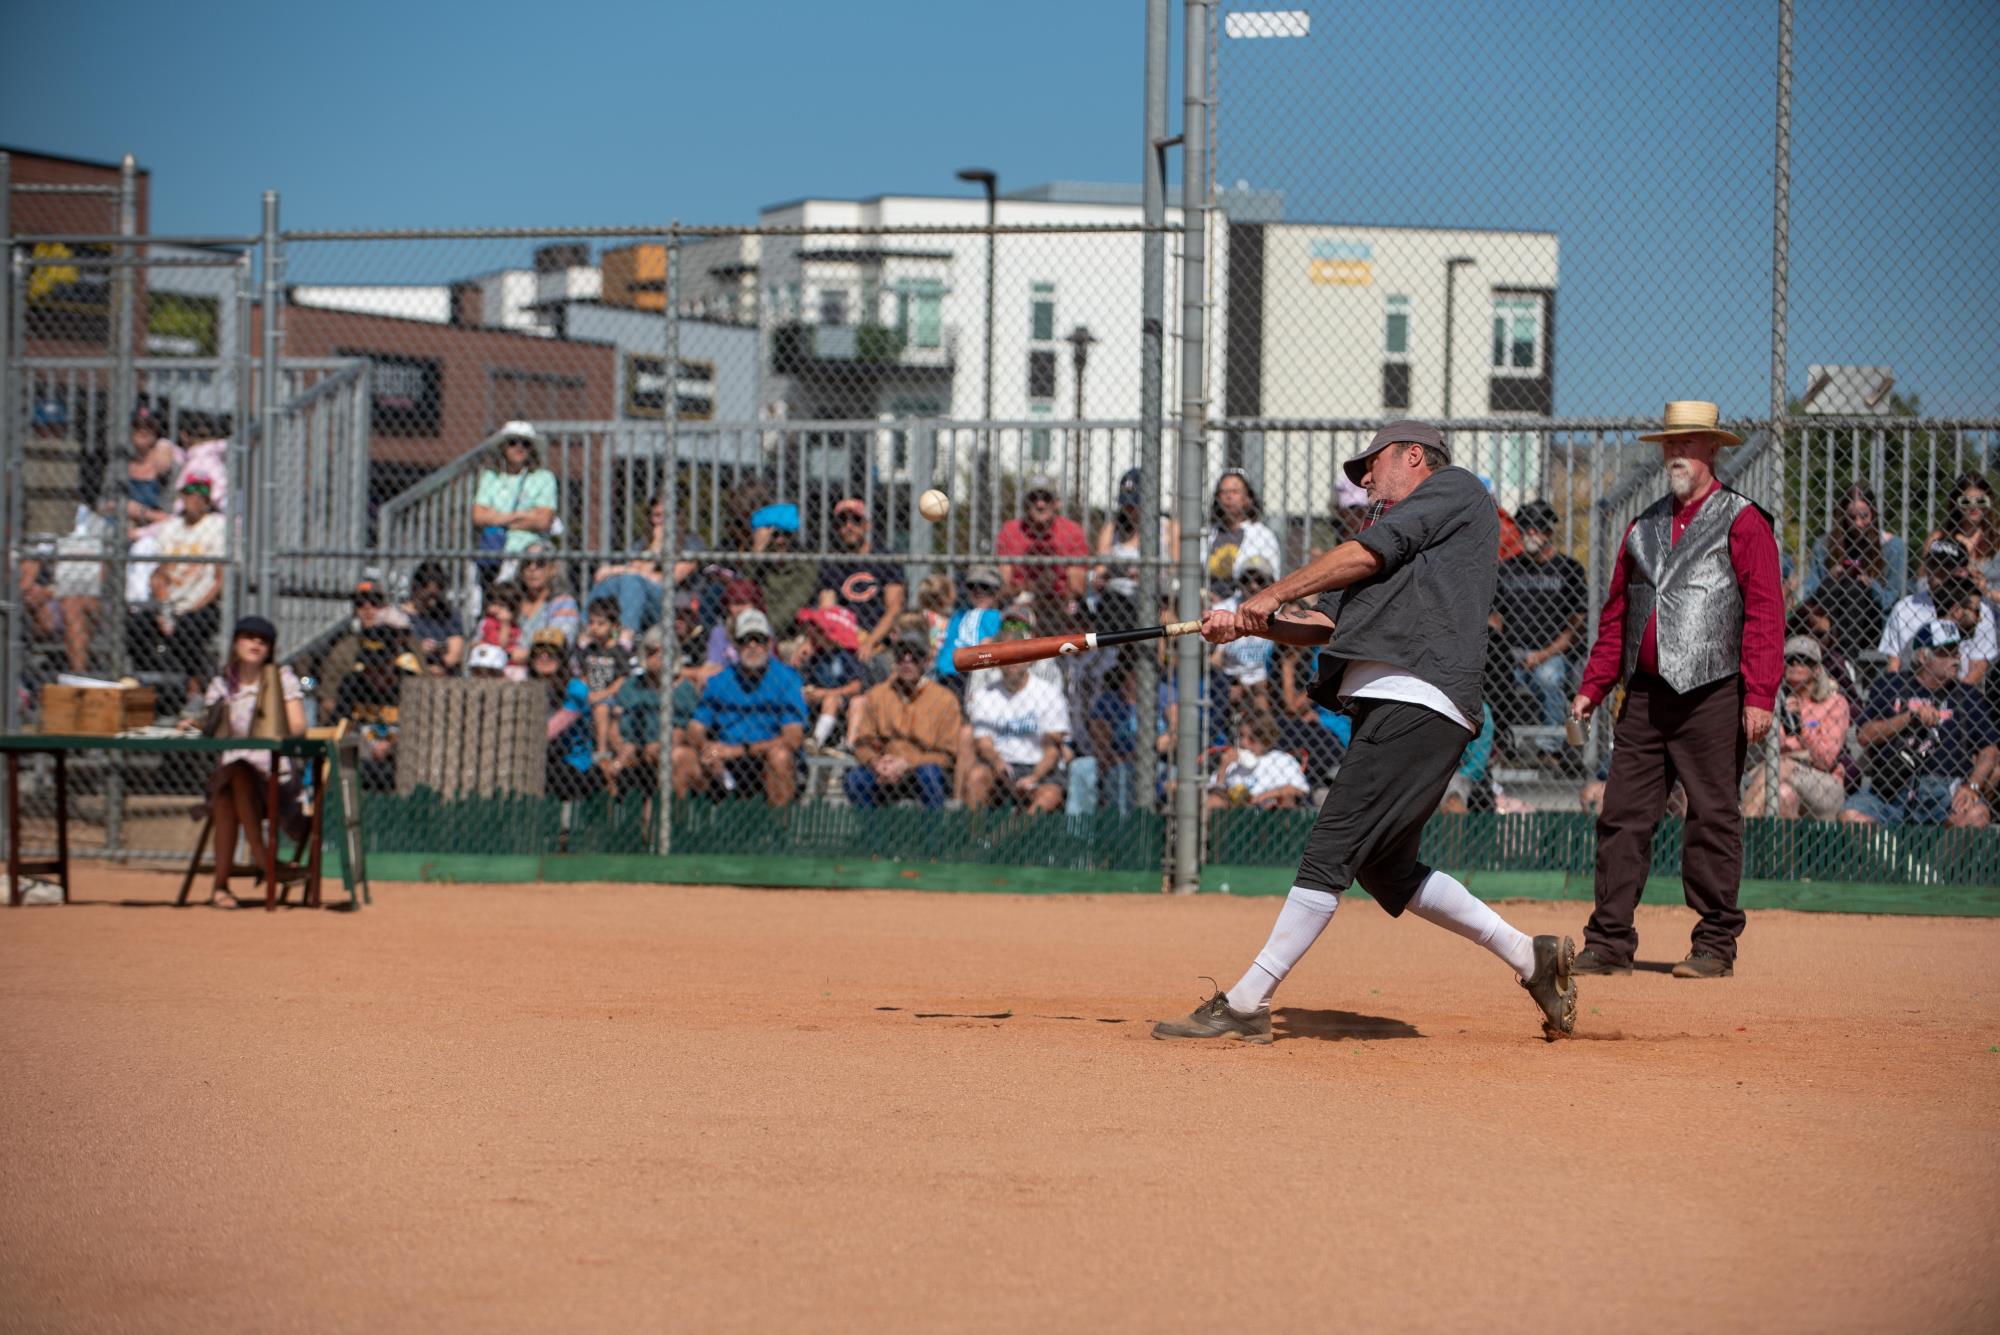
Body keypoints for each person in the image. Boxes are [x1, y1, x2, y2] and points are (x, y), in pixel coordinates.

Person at [1153, 420, 1576, 1045]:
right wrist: (1248, 624)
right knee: (1383, 866)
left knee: (1333, 845)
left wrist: (1268, 592)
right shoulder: (1387, 546)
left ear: (1413, 456)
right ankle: (1531, 957)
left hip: (1420, 694)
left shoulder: (1455, 490)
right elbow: (1320, 625)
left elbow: (1358, 557)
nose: (1366, 481)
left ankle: (1247, 1002)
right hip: (1399, 703)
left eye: (1371, 467)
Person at [1570, 400, 1784, 980]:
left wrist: (1760, 693)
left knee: (1712, 816)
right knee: (1621, 817)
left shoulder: (1744, 520)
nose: (1676, 454)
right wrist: (1594, 686)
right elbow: (1616, 616)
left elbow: (1766, 611)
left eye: (1688, 444)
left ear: (1713, 449)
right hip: (1643, 695)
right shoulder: (1644, 526)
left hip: (1714, 691)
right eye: (1670, 444)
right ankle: (1609, 941)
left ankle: (1714, 944)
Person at [189, 615, 305, 908]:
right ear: (235, 642)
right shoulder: (221, 683)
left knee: (235, 779)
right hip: (232, 777)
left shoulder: (281, 678)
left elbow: (298, 728)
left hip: (273, 779)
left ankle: (222, 885)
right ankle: (264, 862)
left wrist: (271, 714)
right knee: (231, 786)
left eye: (262, 640)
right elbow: (213, 731)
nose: (255, 643)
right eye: (249, 637)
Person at [1841, 620, 1998, 828]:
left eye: (1957, 651)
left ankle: (1935, 861)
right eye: (1947, 651)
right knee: (1851, 816)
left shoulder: (1967, 696)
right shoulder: (1891, 685)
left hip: (1945, 792)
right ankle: (1887, 860)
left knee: (1977, 816)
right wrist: (1908, 718)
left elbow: (1989, 750)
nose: (1957, 658)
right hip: (1891, 790)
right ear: (1924, 657)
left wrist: (1972, 786)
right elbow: (1864, 736)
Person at [674, 608, 809, 806]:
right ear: (735, 646)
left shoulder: (787, 679)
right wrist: (706, 749)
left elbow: (793, 738)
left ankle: (779, 832)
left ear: (769, 643)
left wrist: (738, 751)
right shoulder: (719, 681)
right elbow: (695, 727)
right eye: (745, 640)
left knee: (779, 756)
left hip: (764, 759)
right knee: (680, 756)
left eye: (759, 639)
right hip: (724, 764)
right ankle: (684, 831)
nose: (753, 646)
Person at [1490, 499, 1588, 760]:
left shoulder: (1569, 570)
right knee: (1491, 678)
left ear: (1549, 531)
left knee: (1549, 677)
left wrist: (1542, 654)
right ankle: (1500, 745)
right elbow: (1495, 617)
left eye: (1537, 528)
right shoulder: (1507, 569)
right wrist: (1502, 652)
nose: (1531, 533)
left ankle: (1551, 751)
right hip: (1510, 655)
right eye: (1525, 528)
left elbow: (1576, 627)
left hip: (1553, 655)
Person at [127, 476, 226, 694]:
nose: (195, 501)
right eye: (190, 495)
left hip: (201, 604)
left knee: (190, 627)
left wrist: (193, 607)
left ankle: (193, 691)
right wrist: (165, 610)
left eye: (201, 496)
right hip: (169, 604)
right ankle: (145, 685)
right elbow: (159, 575)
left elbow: (220, 579)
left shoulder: (217, 525)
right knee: (136, 624)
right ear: (182, 497)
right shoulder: (170, 528)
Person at [844, 629, 963, 809]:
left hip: (922, 769)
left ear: (926, 661)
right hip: (885, 768)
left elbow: (947, 754)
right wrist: (876, 762)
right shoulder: (877, 694)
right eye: (901, 655)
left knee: (928, 773)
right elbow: (863, 742)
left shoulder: (945, 700)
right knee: (855, 779)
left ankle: (933, 835)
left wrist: (907, 763)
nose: (907, 661)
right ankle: (870, 834)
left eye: (915, 655)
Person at [1742, 635, 1852, 821]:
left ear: (1817, 669)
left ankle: (1738, 835)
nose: (1795, 665)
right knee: (1784, 795)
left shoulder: (1834, 703)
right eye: (1789, 660)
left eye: (1803, 660)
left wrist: (1801, 727)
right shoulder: (1776, 703)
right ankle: (1773, 850)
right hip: (1772, 774)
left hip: (1822, 781)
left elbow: (1825, 760)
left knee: (1780, 765)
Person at [962, 628, 1071, 814]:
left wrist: (1033, 777)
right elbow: (984, 744)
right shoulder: (984, 696)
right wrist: (997, 762)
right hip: (1002, 767)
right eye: (1005, 654)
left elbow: (1052, 750)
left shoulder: (1049, 694)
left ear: (1029, 659)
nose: (1012, 660)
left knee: (1050, 795)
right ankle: (975, 840)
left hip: (1040, 767)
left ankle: (1001, 839)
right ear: (996, 661)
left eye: (1018, 653)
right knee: (976, 777)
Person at [1881, 541, 1995, 683]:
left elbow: (1977, 669)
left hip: (1959, 694)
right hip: (1911, 691)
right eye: (1933, 564)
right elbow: (1893, 665)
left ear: (1962, 572)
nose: (1937, 572)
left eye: (1947, 565)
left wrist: (1953, 701)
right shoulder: (1905, 607)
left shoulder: (1978, 611)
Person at [813, 497, 906, 660]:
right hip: (841, 638)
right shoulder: (832, 562)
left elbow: (894, 609)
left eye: (855, 520)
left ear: (867, 525)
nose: (848, 526)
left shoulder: (885, 559)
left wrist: (869, 642)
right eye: (842, 521)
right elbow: (827, 609)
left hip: (877, 638)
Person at [997, 475, 1090, 629]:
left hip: (1062, 602)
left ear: (1057, 502)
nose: (1040, 504)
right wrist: (1032, 587)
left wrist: (1051, 592)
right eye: (1034, 498)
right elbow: (1003, 586)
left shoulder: (1072, 531)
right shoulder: (1011, 530)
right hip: (1021, 601)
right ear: (1026, 503)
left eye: (1046, 498)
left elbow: (1077, 588)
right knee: (1014, 620)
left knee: (1074, 615)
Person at [1801, 483, 1908, 613]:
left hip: (1872, 617)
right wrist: (1830, 577)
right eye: (1852, 517)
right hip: (1832, 611)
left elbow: (1889, 600)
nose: (1858, 523)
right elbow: (1809, 592)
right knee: (1836, 585)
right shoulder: (1824, 545)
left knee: (1855, 590)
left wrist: (1870, 584)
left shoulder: (1893, 547)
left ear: (1873, 514)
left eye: (1864, 516)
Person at [471, 421, 559, 573]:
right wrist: (523, 515)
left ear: (532, 449)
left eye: (525, 443)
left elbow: (543, 521)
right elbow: (478, 516)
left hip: (529, 552)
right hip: (493, 551)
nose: (519, 447)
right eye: (512, 442)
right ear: (503, 447)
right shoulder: (490, 477)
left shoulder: (544, 477)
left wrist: (496, 518)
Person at [529, 628, 601, 798]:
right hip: (539, 758)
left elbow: (550, 731)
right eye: (539, 651)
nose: (544, 656)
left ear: (563, 657)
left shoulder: (576, 689)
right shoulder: (528, 688)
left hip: (572, 766)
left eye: (552, 651)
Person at [585, 492, 666, 636]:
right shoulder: (643, 544)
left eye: (666, 515)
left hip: (666, 604)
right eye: (657, 515)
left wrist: (614, 569)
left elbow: (667, 580)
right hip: (640, 600)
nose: (661, 521)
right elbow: (638, 572)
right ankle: (586, 631)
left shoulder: (690, 543)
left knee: (630, 580)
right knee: (608, 583)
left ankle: (625, 636)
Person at [1201, 468, 1282, 600]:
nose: (1229, 496)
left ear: (1248, 498)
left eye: (1235, 492)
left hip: (1240, 607)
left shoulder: (1263, 535)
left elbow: (1266, 583)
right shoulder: (1207, 533)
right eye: (1223, 492)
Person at [795, 606, 868, 750]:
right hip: (819, 696)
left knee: (831, 701)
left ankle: (817, 741)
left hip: (841, 698)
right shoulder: (815, 655)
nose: (813, 634)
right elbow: (806, 680)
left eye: (819, 631)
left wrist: (826, 693)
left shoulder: (847, 655)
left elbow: (856, 686)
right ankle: (796, 739)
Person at [1206, 711, 1309, 810]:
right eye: (1241, 736)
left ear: (1266, 740)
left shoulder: (1280, 759)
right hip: (1234, 811)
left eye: (1252, 739)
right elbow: (1214, 792)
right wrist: (1223, 768)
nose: (1244, 742)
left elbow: (1299, 789)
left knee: (1287, 800)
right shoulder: (1232, 763)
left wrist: (1263, 797)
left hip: (1269, 811)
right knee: (1214, 800)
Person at [575, 597, 633, 762]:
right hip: (591, 695)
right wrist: (588, 690)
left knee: (602, 709)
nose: (594, 628)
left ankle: (601, 752)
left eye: (601, 624)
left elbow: (622, 679)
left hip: (612, 698)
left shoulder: (618, 651)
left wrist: (603, 694)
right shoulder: (588, 649)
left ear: (614, 626)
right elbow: (583, 673)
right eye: (591, 623)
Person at [1925, 472, 1999, 595]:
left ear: (1989, 501)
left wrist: (1987, 591)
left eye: (1981, 501)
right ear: (1955, 503)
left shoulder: (1997, 540)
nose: (1974, 507)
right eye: (1966, 502)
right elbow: (1922, 584)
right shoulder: (1939, 538)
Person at [935, 565, 1006, 690]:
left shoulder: (998, 617)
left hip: (972, 674)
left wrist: (994, 640)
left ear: (996, 592)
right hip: (945, 672)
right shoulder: (959, 615)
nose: (979, 592)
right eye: (972, 587)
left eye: (985, 587)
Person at [749, 503, 816, 635]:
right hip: (755, 630)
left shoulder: (806, 565)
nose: (780, 541)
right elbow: (743, 591)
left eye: (786, 534)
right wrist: (755, 554)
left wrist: (762, 630)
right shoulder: (760, 565)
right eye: (775, 535)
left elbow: (792, 604)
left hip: (789, 633)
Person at [514, 543, 580, 665]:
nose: (532, 568)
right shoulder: (512, 601)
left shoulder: (563, 602)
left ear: (553, 569)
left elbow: (558, 645)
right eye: (526, 563)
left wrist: (519, 654)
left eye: (540, 563)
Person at [402, 561, 466, 676]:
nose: (433, 601)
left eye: (436, 594)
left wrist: (438, 654)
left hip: (441, 669)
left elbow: (455, 654)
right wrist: (419, 648)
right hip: (411, 669)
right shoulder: (402, 615)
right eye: (428, 595)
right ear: (416, 589)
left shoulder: (448, 615)